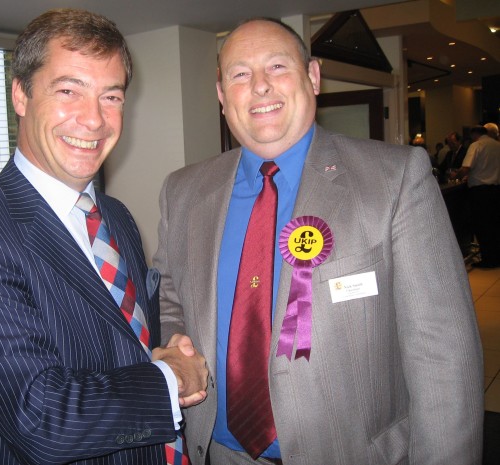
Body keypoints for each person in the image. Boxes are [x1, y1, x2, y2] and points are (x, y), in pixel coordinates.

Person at [154, 17, 484, 465]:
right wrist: (179, 351)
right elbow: (171, 297)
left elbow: (442, 351)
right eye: (240, 74)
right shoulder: (184, 190)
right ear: (221, 95)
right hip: (221, 452)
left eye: (276, 67)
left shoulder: (395, 178)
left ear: (312, 77)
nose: (260, 87)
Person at [0, 9, 207, 465]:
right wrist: (171, 378)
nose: (94, 119)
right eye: (69, 90)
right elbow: (41, 420)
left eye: (110, 96)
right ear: (20, 94)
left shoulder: (116, 216)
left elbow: (129, 342)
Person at [452, 125, 500, 268]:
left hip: (480, 192)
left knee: (482, 226)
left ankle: (488, 259)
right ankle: (497, 256)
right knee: (495, 225)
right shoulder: (497, 145)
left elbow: (466, 168)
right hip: (496, 190)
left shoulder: (476, 145)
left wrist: (457, 175)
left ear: (474, 134)